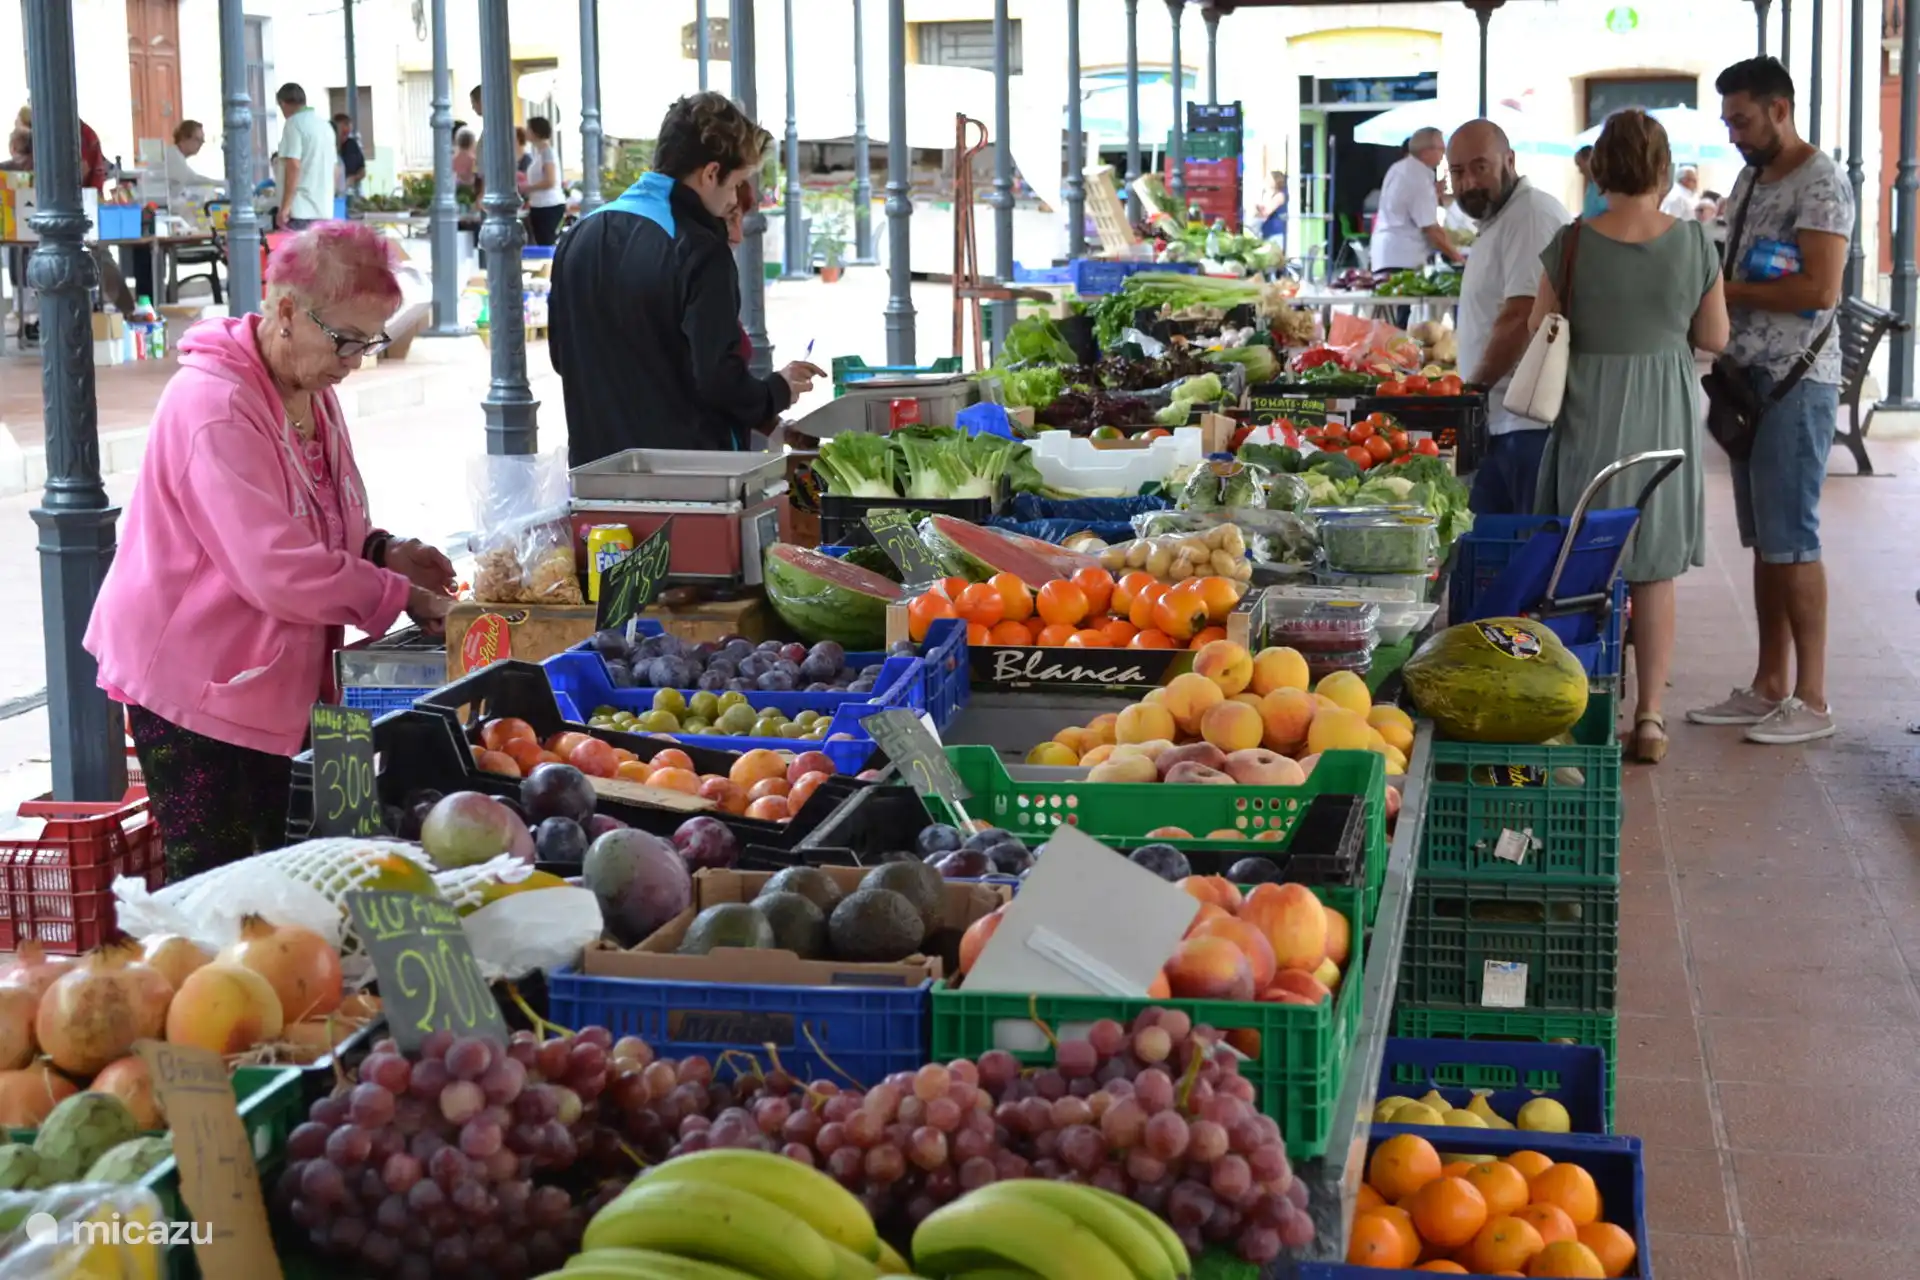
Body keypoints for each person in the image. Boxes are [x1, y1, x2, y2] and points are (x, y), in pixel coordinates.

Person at [83, 224, 455, 880]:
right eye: (346, 339)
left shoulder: (310, 386)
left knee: (290, 866)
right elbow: (276, 567)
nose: (355, 360)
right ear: (286, 311)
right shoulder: (215, 405)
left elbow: (321, 520)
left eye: (371, 341)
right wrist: (400, 595)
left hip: (276, 674)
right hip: (198, 680)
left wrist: (383, 550)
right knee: (221, 884)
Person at [1528, 111, 1729, 764]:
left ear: (1599, 168)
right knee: (1655, 571)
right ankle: (1649, 717)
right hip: (1663, 412)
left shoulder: (1571, 243)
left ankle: (1577, 704)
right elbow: (1714, 337)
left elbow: (1539, 326)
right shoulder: (1695, 243)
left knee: (1581, 561)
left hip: (1588, 408)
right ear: (1663, 168)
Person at [1687, 56, 1853, 745]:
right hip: (1748, 381)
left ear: (1779, 109)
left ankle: (1812, 699)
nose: (1733, 134)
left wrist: (1723, 293)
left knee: (1793, 541)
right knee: (1765, 543)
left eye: (1742, 120)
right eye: (1728, 121)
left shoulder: (1821, 182)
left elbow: (1820, 289)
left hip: (1795, 381)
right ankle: (1768, 684)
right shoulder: (1751, 177)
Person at [548, 92, 823, 465]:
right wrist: (777, 390)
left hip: (595, 471)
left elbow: (561, 357)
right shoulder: (698, 247)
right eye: (734, 184)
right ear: (711, 173)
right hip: (688, 476)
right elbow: (718, 379)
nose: (733, 200)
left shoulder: (579, 235)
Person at [1445, 119, 1571, 516]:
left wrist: (1471, 392)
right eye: (1457, 172)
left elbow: (1521, 316)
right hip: (1500, 421)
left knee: (1526, 544)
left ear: (1510, 161)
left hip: (1526, 426)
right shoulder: (1500, 220)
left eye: (1480, 167)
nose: (1468, 183)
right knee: (1493, 543)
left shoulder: (1530, 215)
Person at [1372, 128, 1465, 275]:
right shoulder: (1418, 177)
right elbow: (1431, 229)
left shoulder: (1400, 168)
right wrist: (1460, 260)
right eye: (1441, 149)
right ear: (1426, 152)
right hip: (1402, 258)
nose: (1444, 154)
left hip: (1387, 254)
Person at [274, 83, 337, 228]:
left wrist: (285, 207)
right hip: (324, 210)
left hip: (300, 210)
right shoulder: (325, 126)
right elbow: (335, 168)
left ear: (283, 104)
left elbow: (293, 165)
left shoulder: (293, 124)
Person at [523, 116, 566, 245]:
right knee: (541, 241)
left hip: (549, 205)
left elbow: (550, 180)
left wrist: (528, 188)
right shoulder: (539, 153)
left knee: (546, 241)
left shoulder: (547, 153)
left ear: (535, 132)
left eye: (528, 129)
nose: (526, 131)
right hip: (539, 204)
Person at [164, 120, 223, 210]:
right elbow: (193, 179)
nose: (200, 144)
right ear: (183, 138)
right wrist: (223, 183)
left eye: (202, 141)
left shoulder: (177, 155)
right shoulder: (173, 155)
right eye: (197, 140)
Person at [333, 113, 366, 194]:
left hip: (352, 190)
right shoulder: (328, 146)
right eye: (343, 132)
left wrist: (353, 178)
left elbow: (362, 170)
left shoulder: (352, 144)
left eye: (347, 133)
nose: (345, 136)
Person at [1255, 171, 1288, 247]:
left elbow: (1266, 212)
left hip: (1276, 234)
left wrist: (1258, 208)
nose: (1266, 181)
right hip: (1269, 233)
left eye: (1269, 179)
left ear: (1276, 181)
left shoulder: (1280, 196)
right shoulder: (1271, 194)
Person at [1574, 145, 1607, 219]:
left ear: (1589, 160)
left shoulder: (1606, 186)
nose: (1580, 171)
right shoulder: (1590, 185)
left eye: (1579, 165)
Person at [452, 129, 477, 193]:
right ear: (471, 143)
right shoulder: (471, 159)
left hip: (455, 187)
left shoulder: (453, 158)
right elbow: (470, 177)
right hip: (467, 188)